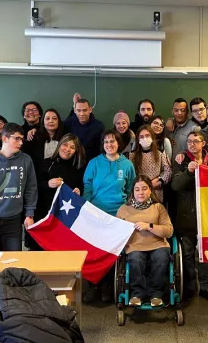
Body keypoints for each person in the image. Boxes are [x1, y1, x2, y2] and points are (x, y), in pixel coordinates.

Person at [82, 129, 136, 303]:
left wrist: (126, 212)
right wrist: (87, 210)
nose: (109, 144)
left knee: (112, 252)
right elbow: (87, 186)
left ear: (119, 144)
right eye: (106, 141)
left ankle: (108, 287)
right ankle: (94, 286)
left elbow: (131, 190)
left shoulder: (127, 165)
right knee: (95, 252)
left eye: (112, 141)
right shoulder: (94, 163)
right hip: (96, 215)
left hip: (118, 216)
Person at [171, 131, 208, 301]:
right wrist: (189, 172)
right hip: (186, 217)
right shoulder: (180, 161)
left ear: (203, 143)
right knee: (187, 253)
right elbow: (176, 185)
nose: (192, 144)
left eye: (196, 141)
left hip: (207, 216)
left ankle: (205, 286)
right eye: (189, 141)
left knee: (205, 254)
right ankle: (190, 287)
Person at [0, 123, 38, 252]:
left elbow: (31, 189)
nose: (20, 143)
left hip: (13, 221)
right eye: (17, 138)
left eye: (22, 139)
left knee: (13, 260)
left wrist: (29, 214)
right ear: (5, 138)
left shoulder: (26, 160)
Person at [116, 175, 173, 307]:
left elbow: (169, 231)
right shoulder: (124, 209)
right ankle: (137, 294)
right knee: (136, 259)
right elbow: (116, 232)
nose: (140, 192)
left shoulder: (158, 207)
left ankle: (156, 294)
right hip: (135, 246)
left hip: (158, 244)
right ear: (133, 192)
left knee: (161, 257)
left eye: (144, 188)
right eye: (137, 189)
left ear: (150, 190)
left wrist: (149, 226)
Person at [30, 134, 86, 251]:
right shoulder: (46, 163)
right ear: (59, 145)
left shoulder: (79, 168)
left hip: (63, 220)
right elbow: (33, 186)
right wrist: (47, 184)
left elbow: (81, 186)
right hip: (44, 215)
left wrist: (78, 191)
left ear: (76, 151)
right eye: (65, 145)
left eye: (72, 147)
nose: (68, 149)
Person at [129, 125, 172, 203]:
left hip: (156, 191)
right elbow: (130, 174)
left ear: (152, 137)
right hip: (139, 192)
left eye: (147, 135)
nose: (144, 138)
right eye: (141, 137)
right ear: (138, 139)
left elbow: (168, 171)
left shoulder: (160, 152)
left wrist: (160, 181)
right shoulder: (132, 155)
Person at [63, 98, 105, 162]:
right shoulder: (68, 123)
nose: (82, 114)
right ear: (75, 111)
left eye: (85, 110)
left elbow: (101, 148)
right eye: (78, 110)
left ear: (90, 110)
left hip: (90, 161)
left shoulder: (99, 126)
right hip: (71, 160)